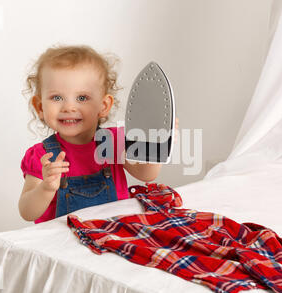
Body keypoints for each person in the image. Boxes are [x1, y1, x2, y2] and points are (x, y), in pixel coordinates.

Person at [18, 44, 178, 223]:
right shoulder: (42, 156)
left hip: (112, 235)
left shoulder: (112, 141)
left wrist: (158, 142)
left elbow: (146, 174)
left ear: (103, 106)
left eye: (82, 98)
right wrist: (46, 188)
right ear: (40, 107)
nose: (69, 107)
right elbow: (27, 212)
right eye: (57, 97)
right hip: (65, 243)